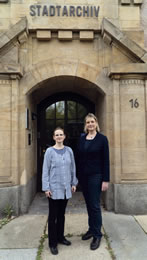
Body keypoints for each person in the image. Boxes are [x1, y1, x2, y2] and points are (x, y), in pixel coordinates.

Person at [42, 127, 78, 255]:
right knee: (53, 217)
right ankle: (52, 243)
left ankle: (61, 237)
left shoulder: (69, 151)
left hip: (66, 189)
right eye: (56, 135)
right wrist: (46, 188)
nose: (59, 137)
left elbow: (73, 167)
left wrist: (74, 183)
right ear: (53, 137)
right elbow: (45, 170)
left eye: (61, 134)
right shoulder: (49, 152)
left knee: (61, 215)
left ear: (64, 136)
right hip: (53, 189)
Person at [77, 113, 110, 250]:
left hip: (96, 176)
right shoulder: (82, 138)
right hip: (84, 176)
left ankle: (97, 235)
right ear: (86, 125)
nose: (90, 124)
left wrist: (106, 180)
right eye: (88, 122)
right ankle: (91, 229)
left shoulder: (102, 139)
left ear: (96, 123)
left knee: (95, 205)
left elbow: (106, 160)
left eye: (92, 122)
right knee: (89, 205)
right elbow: (78, 158)